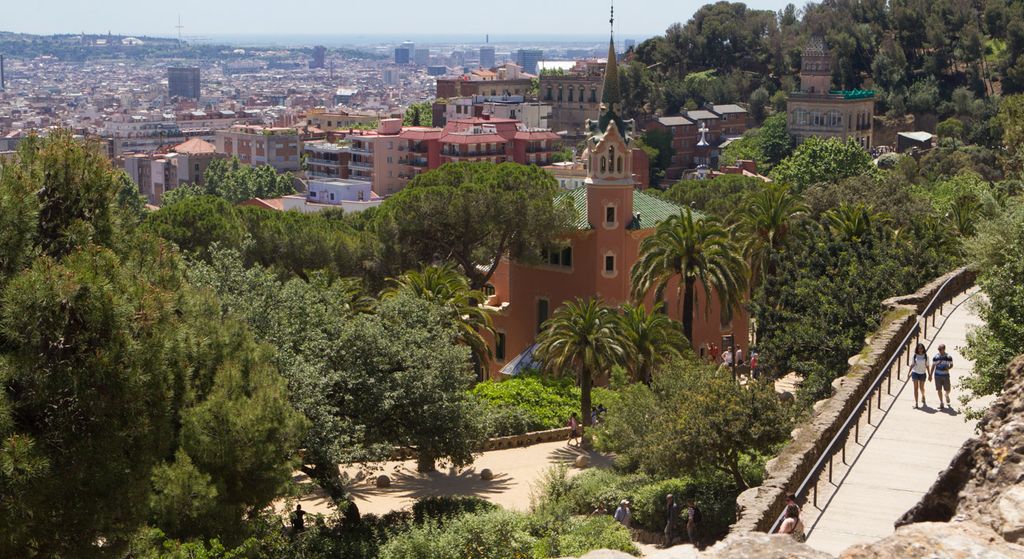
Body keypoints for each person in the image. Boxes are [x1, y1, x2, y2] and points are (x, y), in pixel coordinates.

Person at [931, 344, 954, 409]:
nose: (939, 350)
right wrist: (930, 375)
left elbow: (951, 365)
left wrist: (948, 368)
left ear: (944, 349)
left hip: (946, 375)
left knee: (948, 389)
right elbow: (933, 366)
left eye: (940, 349)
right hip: (937, 375)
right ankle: (941, 402)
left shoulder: (948, 357)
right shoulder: (936, 357)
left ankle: (946, 395)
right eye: (938, 349)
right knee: (939, 389)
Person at [911, 343, 929, 408]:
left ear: (923, 349)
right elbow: (912, 364)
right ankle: (916, 403)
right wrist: (909, 372)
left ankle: (923, 395)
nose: (920, 350)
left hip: (922, 373)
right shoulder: (915, 356)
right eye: (919, 348)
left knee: (921, 388)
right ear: (917, 349)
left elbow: (927, 366)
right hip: (915, 373)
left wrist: (929, 374)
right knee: (915, 388)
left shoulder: (926, 356)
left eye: (921, 348)